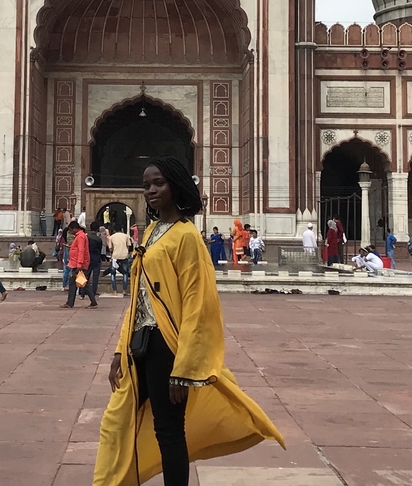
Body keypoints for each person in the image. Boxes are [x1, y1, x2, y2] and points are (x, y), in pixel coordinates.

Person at [94, 156, 285, 486]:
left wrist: (184, 369)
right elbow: (139, 297)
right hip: (141, 341)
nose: (151, 191)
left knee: (168, 431)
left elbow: (199, 305)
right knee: (118, 419)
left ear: (176, 185)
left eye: (159, 183)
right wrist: (118, 351)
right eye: (147, 185)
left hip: (167, 347)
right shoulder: (153, 231)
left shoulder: (186, 236)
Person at [62, 221, 97, 308]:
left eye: (70, 230)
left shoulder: (80, 237)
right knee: (75, 283)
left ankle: (93, 302)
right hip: (76, 263)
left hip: (78, 264)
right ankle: (70, 303)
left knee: (83, 283)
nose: (70, 232)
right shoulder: (80, 236)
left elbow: (81, 250)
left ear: (74, 228)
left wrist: (79, 264)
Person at [108, 226, 133, 296]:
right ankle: (124, 290)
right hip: (124, 256)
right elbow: (128, 246)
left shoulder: (111, 237)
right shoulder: (126, 236)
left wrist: (113, 251)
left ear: (114, 230)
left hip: (115, 256)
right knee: (125, 273)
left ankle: (115, 291)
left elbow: (110, 248)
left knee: (113, 273)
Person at [83, 223, 104, 296]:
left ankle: (82, 293)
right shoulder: (98, 239)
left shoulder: (86, 237)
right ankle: (93, 292)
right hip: (96, 258)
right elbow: (100, 249)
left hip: (88, 258)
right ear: (97, 229)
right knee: (95, 276)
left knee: (86, 276)